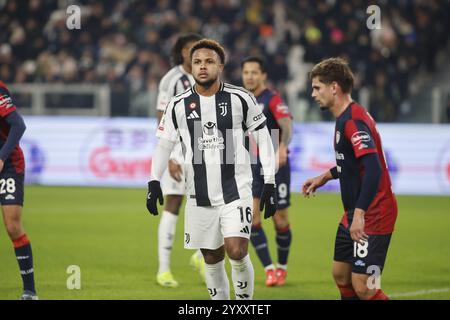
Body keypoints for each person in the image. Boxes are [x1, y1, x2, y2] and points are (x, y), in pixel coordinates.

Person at [146, 39, 278, 300]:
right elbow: (164, 145)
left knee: (237, 250)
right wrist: (153, 182)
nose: (202, 67)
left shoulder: (241, 98)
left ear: (220, 65)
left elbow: (264, 137)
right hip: (199, 194)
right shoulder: (178, 104)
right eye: (197, 62)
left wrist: (270, 182)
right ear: (191, 66)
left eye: (208, 61)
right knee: (211, 256)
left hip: (236, 189)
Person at [302, 58, 397, 300]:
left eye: (317, 87)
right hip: (354, 212)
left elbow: (373, 169)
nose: (313, 94)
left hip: (374, 213)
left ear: (334, 87)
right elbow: (352, 164)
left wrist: (361, 215)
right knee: (341, 275)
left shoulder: (353, 121)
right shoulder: (344, 117)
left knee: (364, 286)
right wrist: (325, 176)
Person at [154, 33, 204, 288]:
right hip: (179, 150)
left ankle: (199, 255)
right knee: (173, 203)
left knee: (210, 203)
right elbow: (162, 116)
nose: (194, 53)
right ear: (181, 52)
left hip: (205, 149)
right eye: (189, 49)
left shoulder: (206, 75)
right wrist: (172, 155)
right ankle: (163, 269)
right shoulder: (172, 79)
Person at [241, 56, 293, 286]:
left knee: (280, 219)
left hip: (275, 165)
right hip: (251, 164)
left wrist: (282, 146)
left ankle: (282, 267)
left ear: (263, 76)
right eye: (246, 72)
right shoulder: (240, 100)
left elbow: (287, 125)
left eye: (254, 72)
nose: (249, 76)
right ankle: (269, 269)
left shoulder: (272, 99)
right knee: (252, 217)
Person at [0, 81, 37, 300]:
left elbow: (18, 125)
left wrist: (2, 157)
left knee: (13, 227)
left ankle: (30, 291)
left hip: (8, 165)